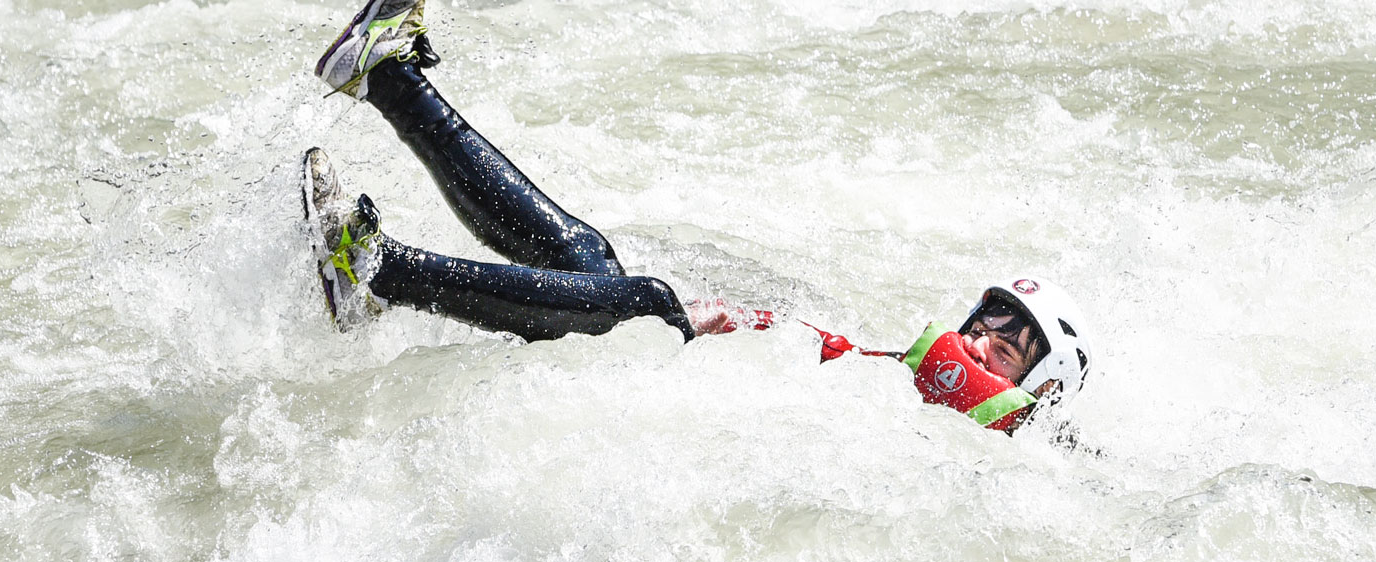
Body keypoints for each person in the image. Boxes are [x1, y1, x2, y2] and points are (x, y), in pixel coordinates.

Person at [303, 0, 1091, 432]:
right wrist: (745, 326)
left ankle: (377, 268)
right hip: (720, 397)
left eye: (1011, 344)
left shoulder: (1006, 434)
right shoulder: (943, 392)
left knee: (640, 303)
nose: (983, 339)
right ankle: (388, 79)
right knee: (592, 259)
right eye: (986, 319)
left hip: (704, 427)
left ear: (1042, 389)